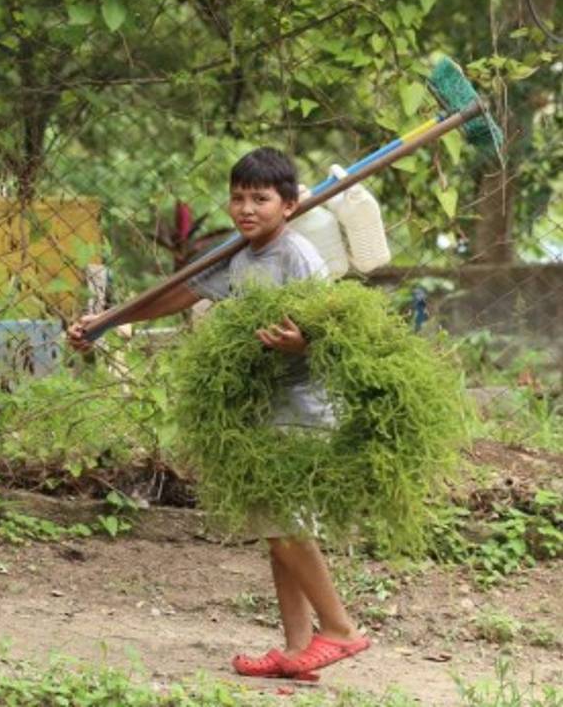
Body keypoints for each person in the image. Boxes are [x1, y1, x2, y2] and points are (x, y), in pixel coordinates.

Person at [68, 147, 370, 679]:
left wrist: (303, 343)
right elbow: (177, 294)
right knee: (273, 528)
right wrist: (108, 321)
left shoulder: (299, 256)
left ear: (290, 205)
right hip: (266, 408)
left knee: (285, 526)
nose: (247, 208)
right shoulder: (238, 256)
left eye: (261, 198)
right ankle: (298, 649)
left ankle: (340, 629)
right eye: (238, 198)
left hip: (302, 408)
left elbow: (333, 332)